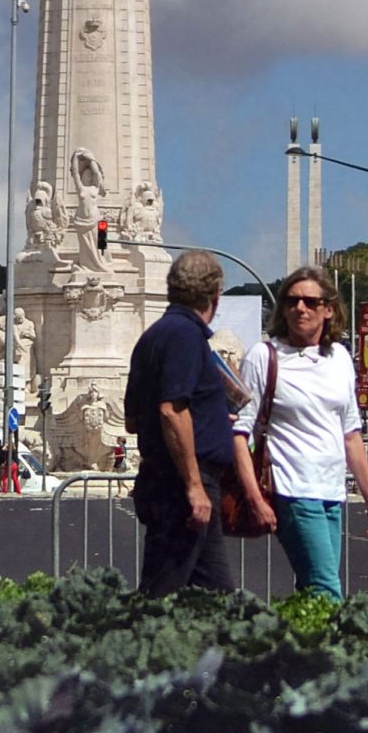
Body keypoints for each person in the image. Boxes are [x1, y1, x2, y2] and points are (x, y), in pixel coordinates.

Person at [231, 265, 368, 599]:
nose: (299, 308)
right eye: (291, 301)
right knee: (326, 589)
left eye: (310, 302)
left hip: (331, 491)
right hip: (292, 488)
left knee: (312, 588)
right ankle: (331, 651)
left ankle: (296, 649)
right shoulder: (265, 356)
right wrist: (254, 497)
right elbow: (239, 433)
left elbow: (351, 435)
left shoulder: (340, 359)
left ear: (329, 309)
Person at [123, 248, 236, 596]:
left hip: (169, 477)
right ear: (215, 297)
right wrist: (193, 485)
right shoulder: (185, 337)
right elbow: (172, 409)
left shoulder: (152, 337)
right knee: (162, 589)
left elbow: (131, 419)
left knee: (216, 595)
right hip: (183, 482)